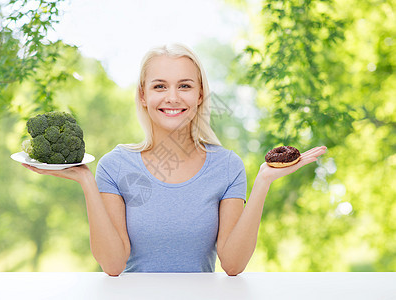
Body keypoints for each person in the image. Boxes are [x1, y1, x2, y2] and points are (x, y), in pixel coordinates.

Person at [23, 43, 327, 276]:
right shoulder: (115, 166)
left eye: (184, 85)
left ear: (200, 95)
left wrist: (263, 182)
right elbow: (113, 265)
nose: (172, 97)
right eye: (159, 86)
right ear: (143, 95)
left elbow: (232, 265)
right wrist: (87, 183)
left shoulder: (227, 167)